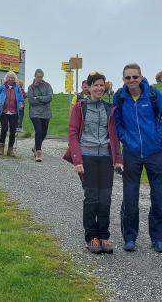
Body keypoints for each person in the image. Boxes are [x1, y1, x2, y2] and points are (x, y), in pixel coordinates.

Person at [113, 63, 162, 253]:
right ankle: (130, 237)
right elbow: (116, 122)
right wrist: (125, 138)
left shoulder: (153, 94)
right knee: (130, 197)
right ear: (123, 79)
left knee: (158, 197)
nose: (132, 80)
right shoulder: (120, 97)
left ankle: (158, 239)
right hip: (131, 154)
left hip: (155, 153)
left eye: (135, 77)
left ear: (141, 77)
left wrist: (158, 138)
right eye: (128, 77)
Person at [67, 72, 123, 254]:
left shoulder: (109, 108)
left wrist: (118, 159)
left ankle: (104, 235)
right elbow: (73, 133)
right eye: (95, 85)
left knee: (105, 198)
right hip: (87, 156)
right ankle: (91, 236)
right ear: (88, 87)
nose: (99, 88)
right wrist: (77, 159)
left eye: (102, 85)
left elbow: (113, 137)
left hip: (106, 158)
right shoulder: (79, 107)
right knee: (92, 197)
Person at [0, 71, 24, 157]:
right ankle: (1, 146)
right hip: (4, 111)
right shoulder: (1, 87)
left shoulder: (17, 88)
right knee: (4, 128)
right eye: (9, 77)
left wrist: (21, 104)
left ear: (15, 79)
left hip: (14, 112)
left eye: (13, 77)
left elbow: (21, 99)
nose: (11, 79)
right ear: (6, 78)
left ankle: (10, 149)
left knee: (13, 130)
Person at [27, 69, 53, 162]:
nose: (39, 78)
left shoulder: (47, 85)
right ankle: (38, 152)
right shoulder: (31, 88)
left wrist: (37, 98)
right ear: (35, 76)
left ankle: (35, 146)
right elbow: (31, 100)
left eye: (41, 77)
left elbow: (50, 97)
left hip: (46, 113)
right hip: (34, 113)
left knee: (44, 132)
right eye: (38, 77)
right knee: (38, 130)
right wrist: (43, 99)